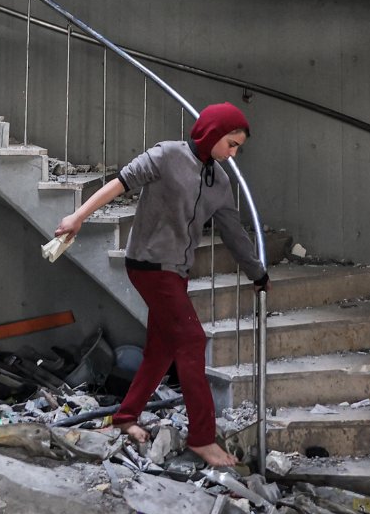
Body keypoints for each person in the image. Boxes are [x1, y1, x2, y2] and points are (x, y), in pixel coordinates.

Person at [54, 101, 268, 468]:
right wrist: (77, 217)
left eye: (238, 147)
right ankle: (202, 438)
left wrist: (257, 273)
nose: (233, 153)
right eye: (231, 144)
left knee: (161, 347)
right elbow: (119, 183)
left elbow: (233, 232)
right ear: (213, 133)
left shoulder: (219, 181)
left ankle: (125, 416)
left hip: (177, 271)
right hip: (149, 265)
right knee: (192, 340)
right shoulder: (168, 155)